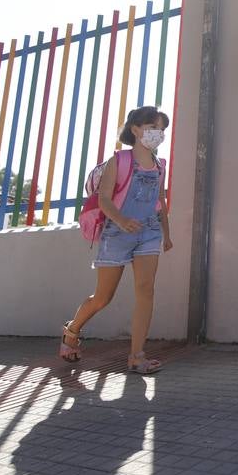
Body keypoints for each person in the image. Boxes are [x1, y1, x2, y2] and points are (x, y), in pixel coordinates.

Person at [59, 106, 171, 374]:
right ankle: (72, 331)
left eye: (162, 129)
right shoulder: (118, 161)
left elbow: (160, 201)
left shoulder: (159, 166)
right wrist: (121, 221)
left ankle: (136, 355)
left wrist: (167, 233)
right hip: (117, 234)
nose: (159, 134)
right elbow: (105, 199)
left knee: (146, 291)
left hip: (149, 233)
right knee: (102, 297)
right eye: (153, 127)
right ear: (135, 129)